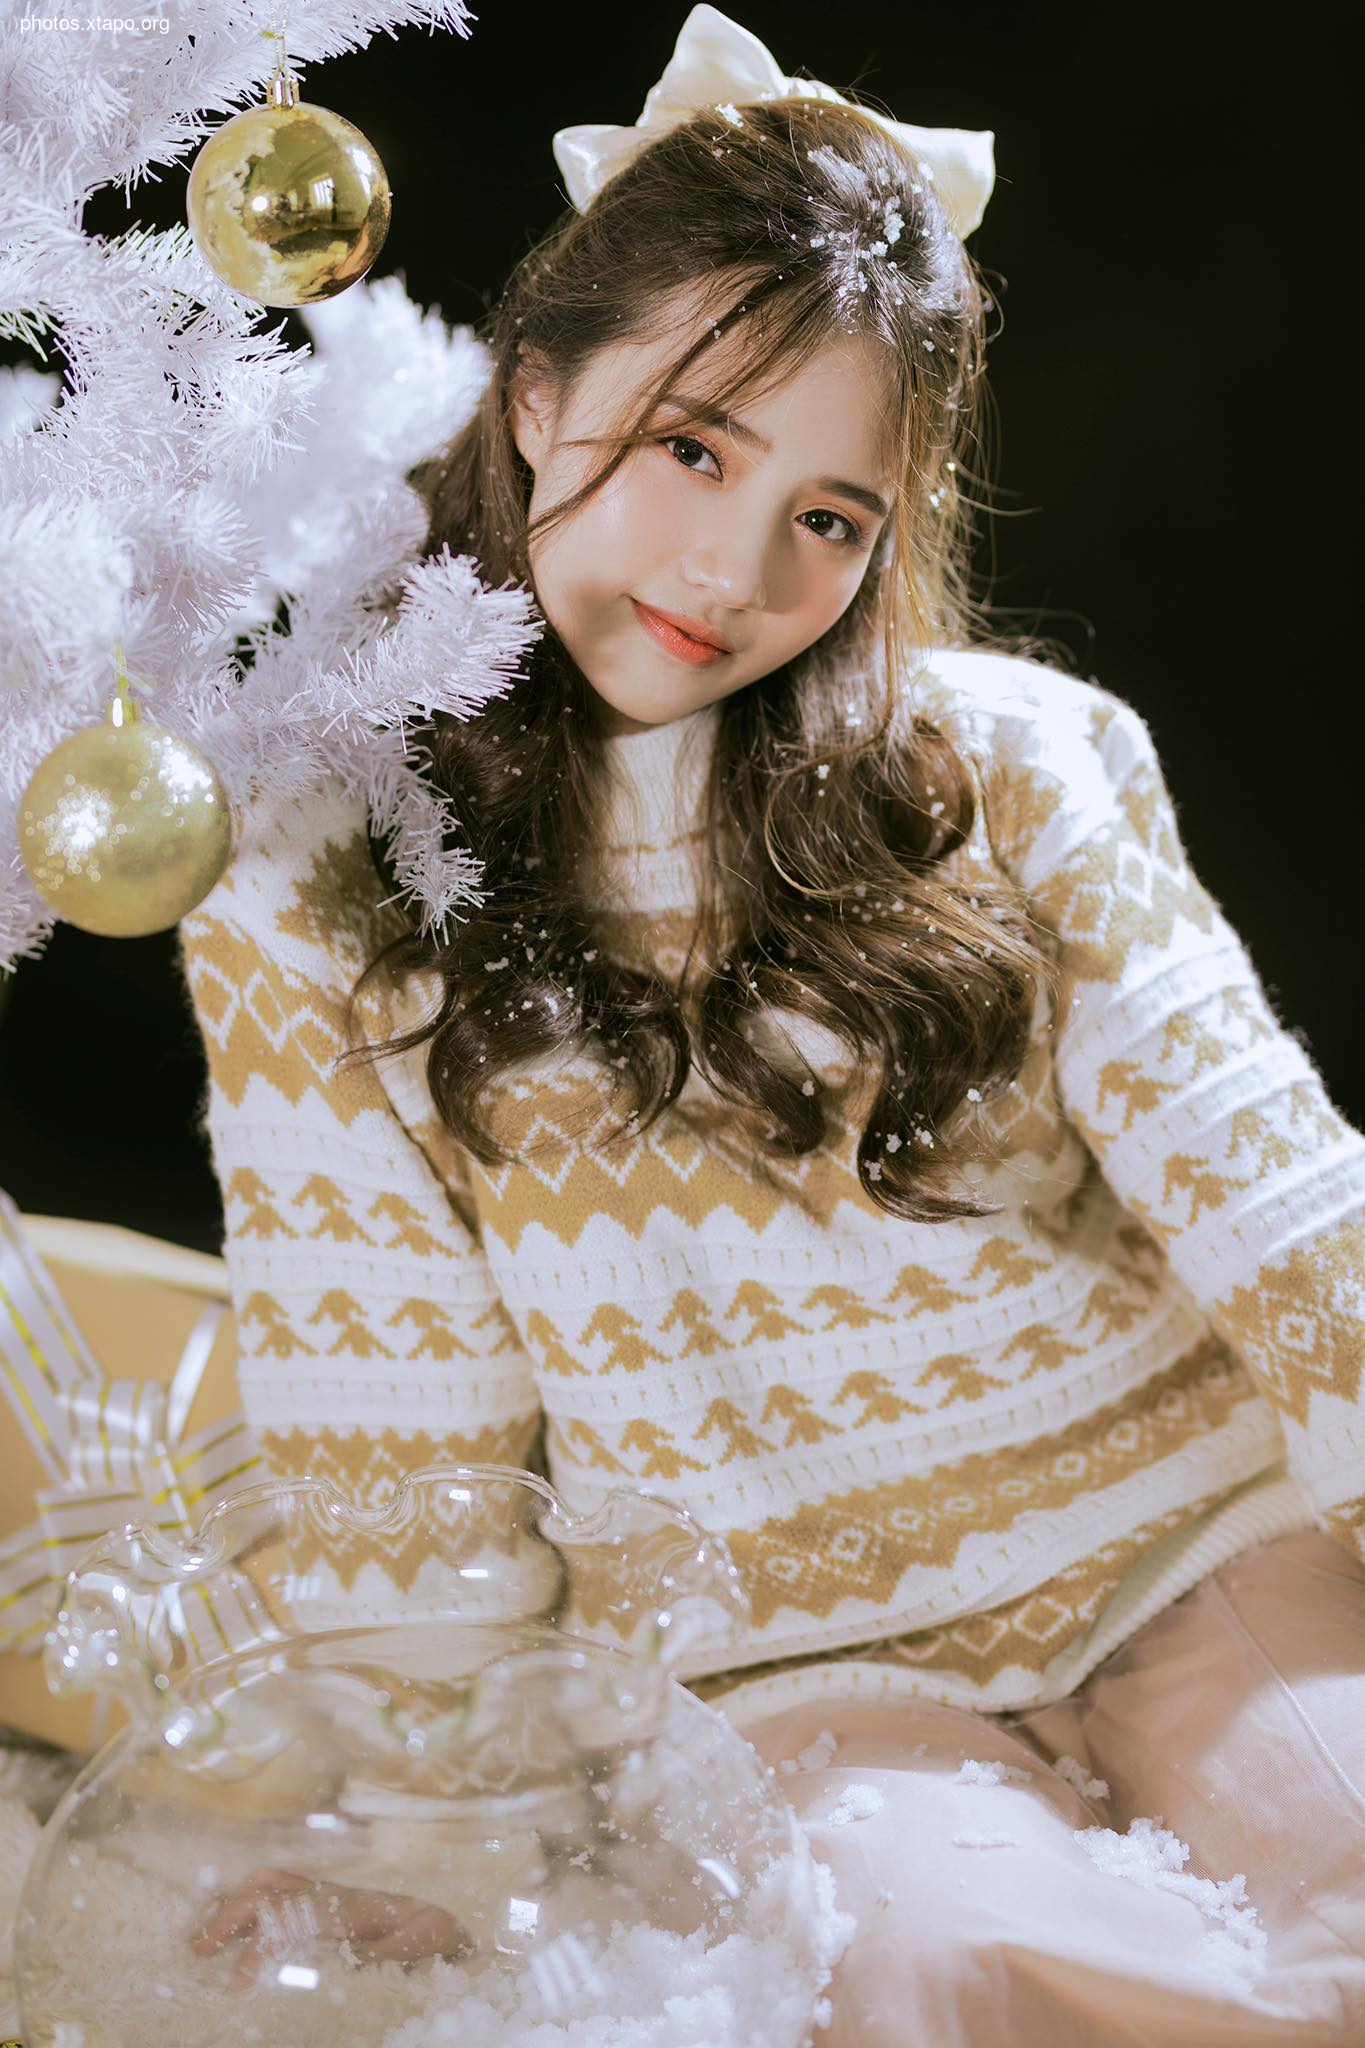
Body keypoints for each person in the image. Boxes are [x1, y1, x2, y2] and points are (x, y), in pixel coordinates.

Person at [175, 7, 1365, 2040]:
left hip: (1182, 1532)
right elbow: (393, 1428)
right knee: (923, 1965)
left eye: (827, 515)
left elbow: (1268, 1189)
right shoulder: (317, 881)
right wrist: (417, 1825)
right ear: (536, 392)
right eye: (691, 450)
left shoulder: (1014, 762)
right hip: (787, 1664)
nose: (733, 572)